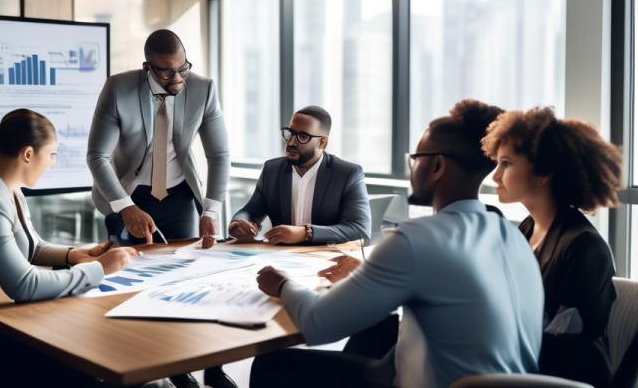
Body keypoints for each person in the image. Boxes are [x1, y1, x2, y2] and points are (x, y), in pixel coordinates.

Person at [252, 100, 544, 388]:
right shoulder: (514, 238)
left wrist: (282, 284)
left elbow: (317, 322)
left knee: (270, 364)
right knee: (379, 328)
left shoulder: (417, 238)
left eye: (416, 159)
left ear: (437, 165)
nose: (412, 168)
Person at [482, 106, 622, 387]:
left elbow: (564, 343)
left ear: (543, 172)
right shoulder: (526, 229)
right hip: (524, 367)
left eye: (506, 164)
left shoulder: (583, 247)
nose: (495, 176)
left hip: (564, 379)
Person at [0, 109, 133, 306]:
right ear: (28, 154)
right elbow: (25, 286)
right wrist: (99, 268)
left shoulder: (10, 190)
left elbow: (31, 247)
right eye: (52, 154)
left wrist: (75, 255)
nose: (53, 162)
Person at [88, 30, 229, 251]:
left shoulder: (204, 89)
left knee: (182, 263)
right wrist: (125, 206)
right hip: (129, 194)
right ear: (148, 67)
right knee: (131, 262)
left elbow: (218, 155)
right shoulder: (117, 89)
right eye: (168, 72)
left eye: (183, 68)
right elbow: (97, 156)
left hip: (179, 195)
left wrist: (210, 210)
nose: (178, 79)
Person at [228, 106, 371, 245]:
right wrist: (238, 224)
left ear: (322, 142)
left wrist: (306, 233)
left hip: (325, 261)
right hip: (279, 259)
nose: (291, 142)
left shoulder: (347, 173)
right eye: (290, 133)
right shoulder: (272, 170)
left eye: (303, 136)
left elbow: (360, 230)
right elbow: (250, 211)